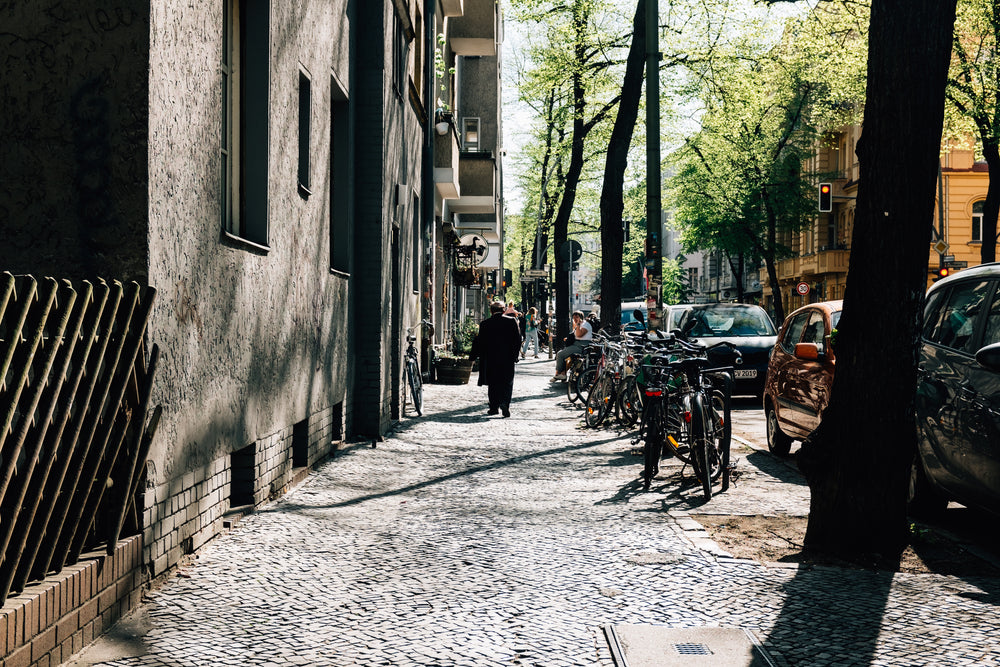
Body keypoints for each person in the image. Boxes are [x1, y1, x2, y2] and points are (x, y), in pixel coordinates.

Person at [469, 301, 522, 417]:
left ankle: (494, 407)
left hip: (490, 358)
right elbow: (517, 339)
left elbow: (479, 342)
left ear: (491, 311)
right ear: (504, 311)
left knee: (493, 382)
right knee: (507, 382)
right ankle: (505, 403)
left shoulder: (485, 324)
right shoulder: (511, 321)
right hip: (507, 357)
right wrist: (515, 355)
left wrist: (473, 356)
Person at [551, 310, 593, 381]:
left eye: (577, 317)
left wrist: (578, 325)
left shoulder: (585, 324)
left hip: (581, 345)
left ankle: (559, 374)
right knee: (564, 354)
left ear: (581, 317)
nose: (575, 319)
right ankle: (561, 373)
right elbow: (576, 335)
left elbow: (579, 334)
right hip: (577, 344)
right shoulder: (579, 325)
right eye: (574, 318)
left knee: (560, 354)